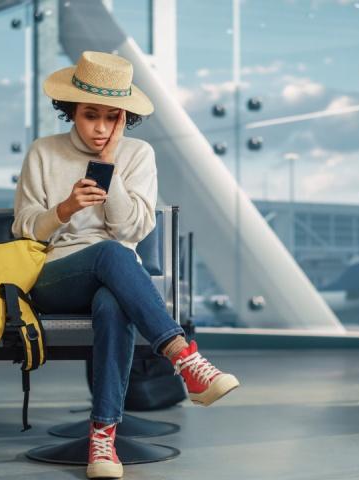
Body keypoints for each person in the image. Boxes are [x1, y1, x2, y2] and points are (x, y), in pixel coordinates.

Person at [13, 51, 239, 479]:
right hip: (54, 276)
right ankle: (185, 358)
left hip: (115, 280)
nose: (99, 128)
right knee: (111, 255)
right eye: (89, 115)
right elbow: (24, 231)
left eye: (111, 117)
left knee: (113, 302)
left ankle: (103, 439)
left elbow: (130, 229)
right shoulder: (43, 153)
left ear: (124, 117)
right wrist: (63, 209)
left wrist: (108, 167)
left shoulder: (138, 154)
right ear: (71, 112)